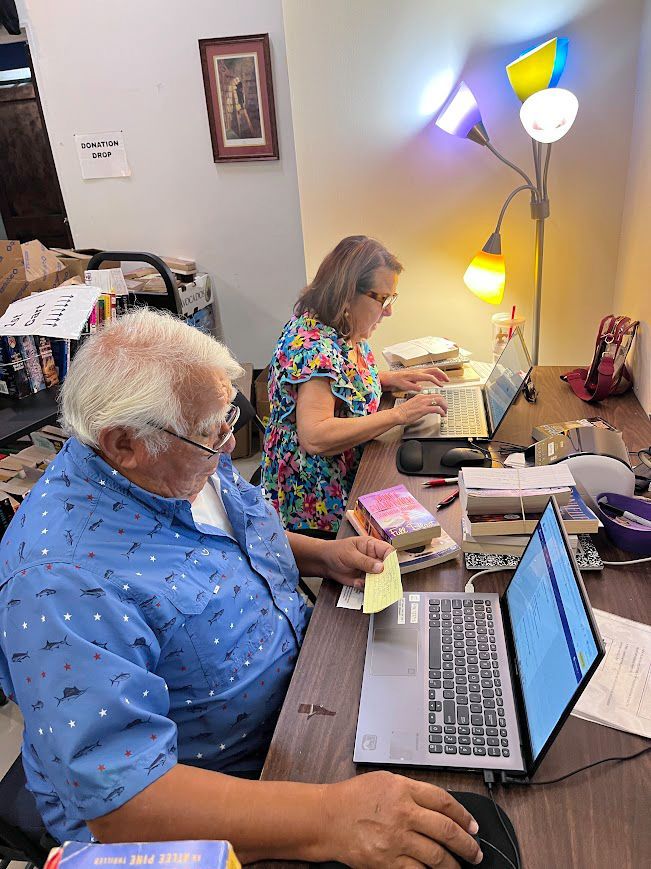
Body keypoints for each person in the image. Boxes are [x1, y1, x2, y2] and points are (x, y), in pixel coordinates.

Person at [0, 310, 482, 868]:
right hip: (227, 793)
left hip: (306, 693)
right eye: (213, 433)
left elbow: (227, 540)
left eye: (228, 420)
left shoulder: (178, 454)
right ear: (124, 442)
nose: (229, 447)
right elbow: (125, 805)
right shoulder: (58, 581)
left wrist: (322, 555)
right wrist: (332, 818)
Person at [261, 235, 449, 536]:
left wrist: (386, 379)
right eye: (382, 298)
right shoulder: (313, 348)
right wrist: (399, 415)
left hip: (348, 467)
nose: (388, 310)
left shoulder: (340, 328)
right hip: (317, 496)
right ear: (348, 293)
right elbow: (315, 436)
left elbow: (340, 384)